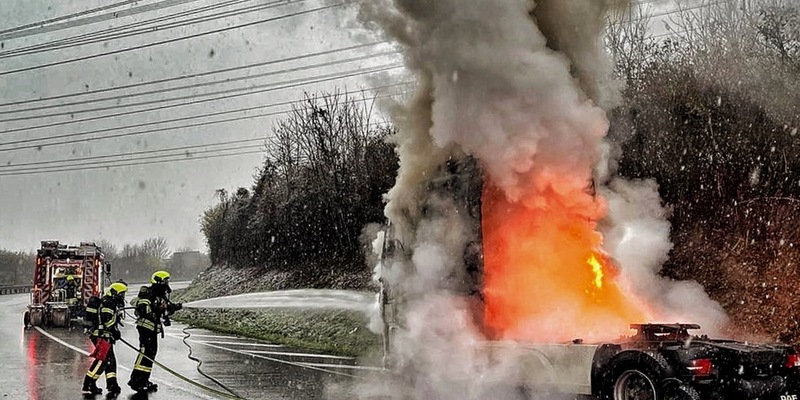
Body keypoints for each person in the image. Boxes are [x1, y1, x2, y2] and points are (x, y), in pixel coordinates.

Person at [127, 270, 182, 393]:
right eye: (165, 281)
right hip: (145, 327)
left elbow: (166, 308)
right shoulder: (149, 293)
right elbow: (141, 306)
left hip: (152, 329)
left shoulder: (161, 295)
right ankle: (136, 381)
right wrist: (156, 310)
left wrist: (174, 307)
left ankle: (144, 380)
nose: (167, 283)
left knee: (151, 354)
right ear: (159, 281)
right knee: (145, 353)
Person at [82, 281, 127, 395]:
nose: (123, 297)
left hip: (104, 336)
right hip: (101, 336)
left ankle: (112, 385)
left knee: (110, 361)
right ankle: (89, 383)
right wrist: (115, 331)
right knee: (103, 360)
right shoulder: (109, 304)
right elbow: (107, 320)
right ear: (115, 293)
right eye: (121, 294)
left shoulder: (109, 302)